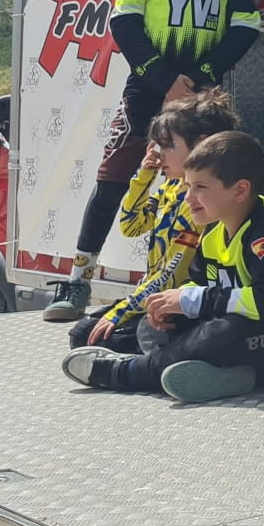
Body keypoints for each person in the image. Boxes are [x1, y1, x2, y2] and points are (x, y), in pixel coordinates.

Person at [46, 0, 261, 322]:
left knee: (211, 187)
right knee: (114, 179)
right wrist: (164, 79)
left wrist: (200, 74)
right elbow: (125, 22)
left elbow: (244, 27)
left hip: (204, 98)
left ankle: (208, 281)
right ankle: (78, 281)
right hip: (148, 89)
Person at [63, 129, 264, 404]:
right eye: (188, 186)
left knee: (224, 332)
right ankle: (224, 375)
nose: (189, 198)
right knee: (90, 335)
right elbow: (199, 283)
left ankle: (129, 372)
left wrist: (191, 299)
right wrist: (172, 308)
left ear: (240, 190)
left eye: (200, 187)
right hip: (244, 324)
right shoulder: (214, 230)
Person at [62, 90, 222, 355]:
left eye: (169, 146)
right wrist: (143, 175)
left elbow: (171, 274)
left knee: (91, 339)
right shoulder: (171, 187)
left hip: (179, 301)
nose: (162, 155)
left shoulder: (197, 201)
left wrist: (121, 312)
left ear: (201, 145)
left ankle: (172, 356)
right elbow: (131, 224)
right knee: (82, 334)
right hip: (157, 298)